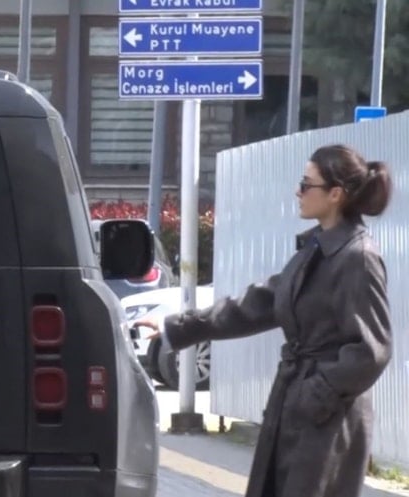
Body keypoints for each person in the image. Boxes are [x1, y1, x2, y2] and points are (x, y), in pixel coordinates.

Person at [136, 144, 393, 497]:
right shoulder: (317, 249)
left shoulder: (358, 257)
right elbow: (260, 302)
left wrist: (316, 393)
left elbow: (372, 350)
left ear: (335, 194)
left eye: (307, 184)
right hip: (299, 406)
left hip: (329, 420)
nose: (298, 191)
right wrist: (177, 327)